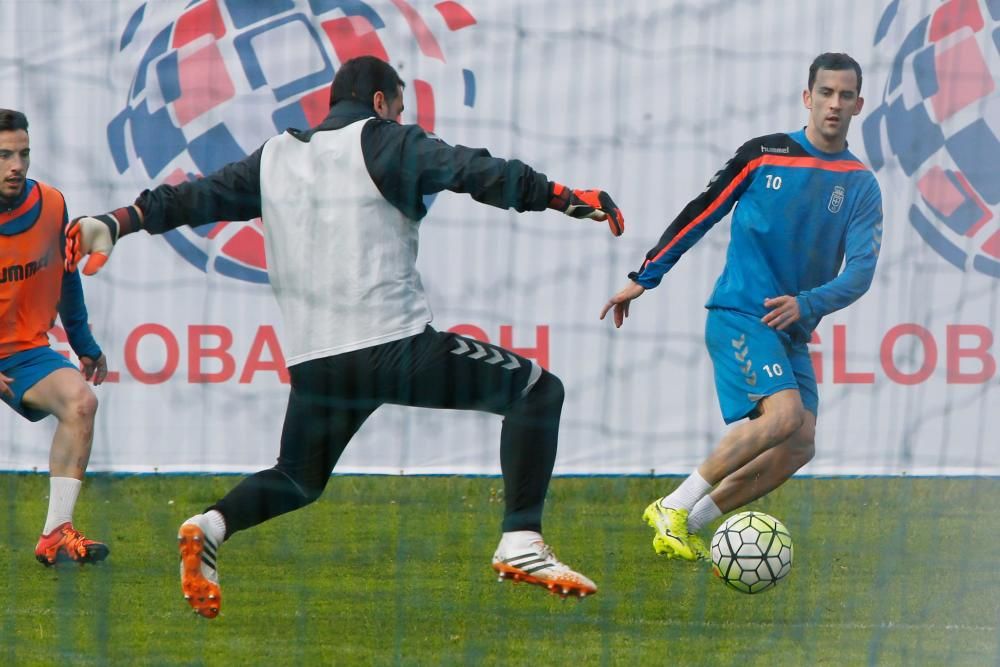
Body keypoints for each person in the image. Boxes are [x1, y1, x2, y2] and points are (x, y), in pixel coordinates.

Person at [67, 56, 624, 616]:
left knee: (297, 477)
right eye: (400, 107)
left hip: (317, 363)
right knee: (536, 391)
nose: (403, 118)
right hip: (394, 347)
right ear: (380, 102)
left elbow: (191, 198)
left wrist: (118, 220)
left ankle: (209, 525)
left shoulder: (275, 158)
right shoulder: (384, 141)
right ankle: (522, 541)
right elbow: (471, 170)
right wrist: (560, 195)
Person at [600, 53, 882, 561]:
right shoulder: (763, 154)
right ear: (807, 97)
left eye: (845, 95)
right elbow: (702, 211)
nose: (834, 104)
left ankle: (694, 521)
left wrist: (807, 304)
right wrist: (645, 277)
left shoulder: (861, 184)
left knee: (799, 444)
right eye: (825, 93)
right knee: (782, 417)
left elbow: (861, 272)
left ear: (860, 105)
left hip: (791, 326)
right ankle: (673, 505)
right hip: (739, 312)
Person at [0, 109, 109, 566]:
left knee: (81, 403)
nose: (17, 165)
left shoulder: (51, 204)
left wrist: (84, 344)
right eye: (4, 155)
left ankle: (55, 532)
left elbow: (66, 279)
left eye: (24, 153)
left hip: (23, 353)